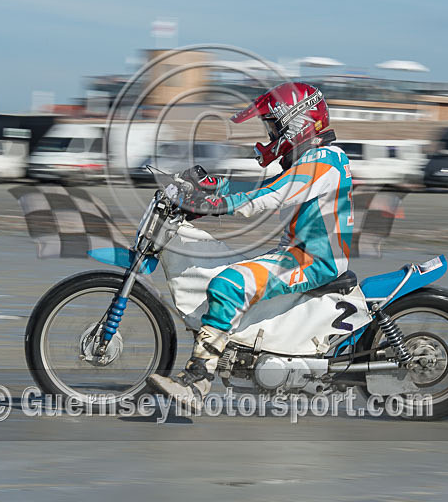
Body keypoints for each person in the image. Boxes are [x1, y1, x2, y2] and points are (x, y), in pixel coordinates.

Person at [147, 82, 354, 409]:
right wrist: (214, 185)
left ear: (296, 123)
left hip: (313, 260)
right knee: (231, 274)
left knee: (229, 285)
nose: (270, 136)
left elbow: (270, 196)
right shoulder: (313, 159)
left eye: (273, 126)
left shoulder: (323, 161)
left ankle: (198, 380)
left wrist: (214, 205)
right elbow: (266, 185)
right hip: (296, 254)